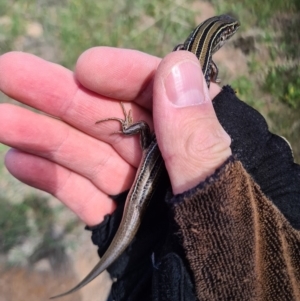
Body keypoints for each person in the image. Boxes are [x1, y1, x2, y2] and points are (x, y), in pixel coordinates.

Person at [0, 47, 299, 300]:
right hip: (149, 168)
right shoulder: (199, 65)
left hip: (149, 165)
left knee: (141, 151)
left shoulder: (190, 55)